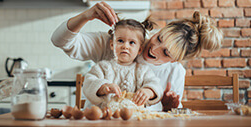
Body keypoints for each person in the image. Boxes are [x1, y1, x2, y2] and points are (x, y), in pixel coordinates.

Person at [51, 2, 223, 111]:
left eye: (165, 53)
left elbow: (171, 115)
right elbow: (59, 41)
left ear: (174, 60)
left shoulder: (175, 72)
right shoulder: (123, 42)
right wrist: (85, 16)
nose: (153, 48)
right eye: (159, 38)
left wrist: (169, 106)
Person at [82, 17, 162, 108]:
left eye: (132, 42)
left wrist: (148, 91)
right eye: (120, 41)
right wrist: (103, 87)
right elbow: (88, 83)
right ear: (112, 45)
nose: (125, 46)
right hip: (104, 118)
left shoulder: (143, 70)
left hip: (133, 118)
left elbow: (156, 85)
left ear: (140, 49)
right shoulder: (103, 67)